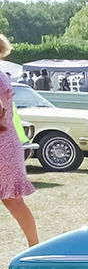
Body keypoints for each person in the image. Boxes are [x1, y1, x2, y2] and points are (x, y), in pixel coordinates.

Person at [0, 35, 39, 246]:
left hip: (3, 146)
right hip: (8, 143)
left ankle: (35, 247)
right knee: (13, 201)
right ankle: (35, 246)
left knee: (13, 201)